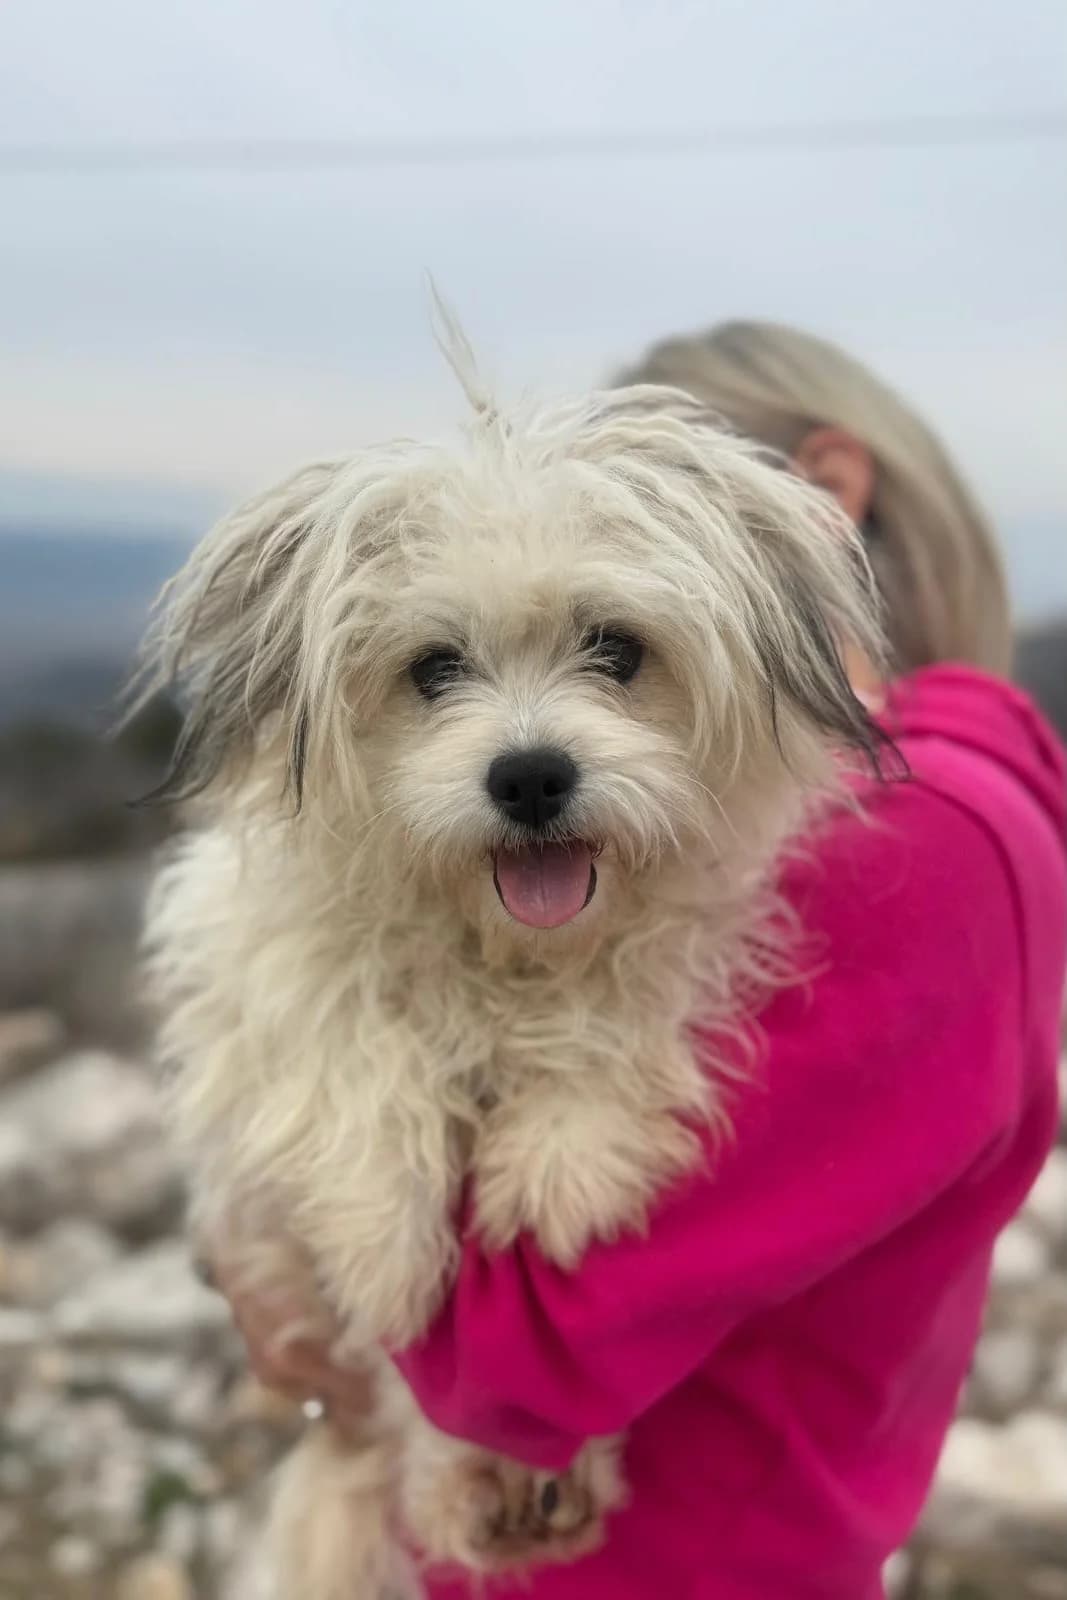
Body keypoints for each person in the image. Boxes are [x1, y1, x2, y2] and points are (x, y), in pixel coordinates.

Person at [219, 322, 1066, 1599]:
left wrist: (327, 1308)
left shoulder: (924, 835)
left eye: (613, 652)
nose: (526, 742)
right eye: (439, 668)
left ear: (814, 502)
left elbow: (500, 1352)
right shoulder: (873, 809)